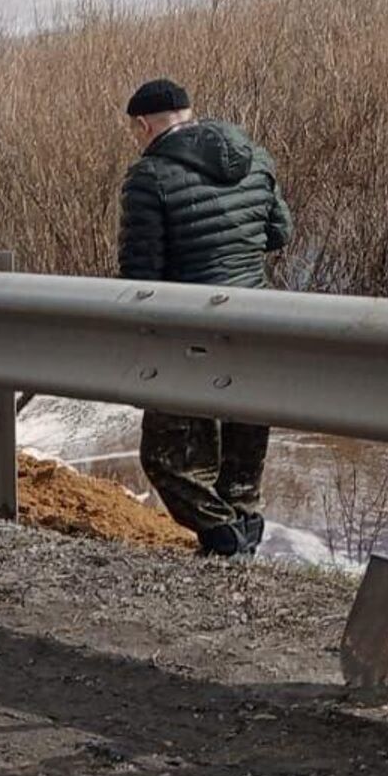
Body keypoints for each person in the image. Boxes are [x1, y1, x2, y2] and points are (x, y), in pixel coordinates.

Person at [117, 78, 290, 558]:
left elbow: (139, 274)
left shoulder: (148, 177)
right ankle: (241, 543)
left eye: (135, 131)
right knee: (242, 455)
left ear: (143, 124)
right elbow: (280, 232)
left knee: (165, 458)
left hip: (190, 333)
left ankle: (221, 538)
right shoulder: (254, 156)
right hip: (255, 322)